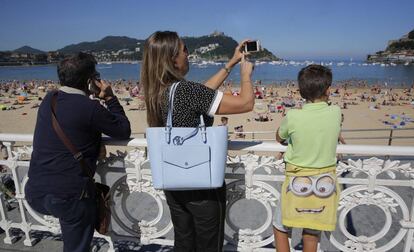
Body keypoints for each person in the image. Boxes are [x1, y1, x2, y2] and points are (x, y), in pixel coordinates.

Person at [141, 31, 254, 251]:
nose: (188, 54)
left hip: (174, 179)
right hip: (201, 182)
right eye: (184, 49)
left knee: (184, 241)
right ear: (173, 58)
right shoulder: (186, 91)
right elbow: (245, 104)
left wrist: (229, 64)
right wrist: (246, 75)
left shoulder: (160, 91)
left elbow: (202, 94)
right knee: (208, 245)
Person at [25, 52, 131, 252]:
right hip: (69, 196)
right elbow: (123, 129)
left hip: (35, 191)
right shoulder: (90, 108)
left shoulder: (50, 99)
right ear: (91, 80)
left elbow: (74, 128)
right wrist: (109, 97)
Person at [273, 65, 341, 252]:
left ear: (301, 92)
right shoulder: (335, 112)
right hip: (324, 183)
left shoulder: (294, 115)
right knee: (311, 232)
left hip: (296, 180)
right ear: (328, 90)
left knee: (280, 226)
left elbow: (279, 137)